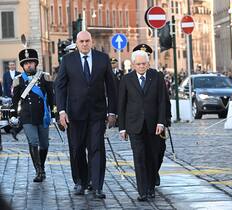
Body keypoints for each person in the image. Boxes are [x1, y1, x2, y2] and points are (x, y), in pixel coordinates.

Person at [55, 31, 117, 199]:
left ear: (92, 42)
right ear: (77, 43)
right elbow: (59, 87)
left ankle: (97, 186)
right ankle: (80, 182)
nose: (84, 44)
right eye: (81, 41)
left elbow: (111, 86)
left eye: (87, 41)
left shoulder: (102, 59)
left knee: (97, 149)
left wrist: (112, 111)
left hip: (97, 113)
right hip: (74, 114)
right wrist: (61, 111)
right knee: (77, 150)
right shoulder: (68, 61)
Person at [118, 49, 167, 201]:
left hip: (153, 125)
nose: (141, 66)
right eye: (138, 64)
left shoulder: (156, 76)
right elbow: (122, 104)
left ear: (148, 63)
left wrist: (161, 122)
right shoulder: (127, 79)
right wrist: (122, 128)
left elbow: (162, 101)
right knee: (139, 158)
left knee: (152, 157)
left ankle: (151, 187)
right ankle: (142, 191)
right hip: (134, 126)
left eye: (144, 64)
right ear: (133, 64)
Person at [11, 48, 54, 182]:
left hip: (43, 115)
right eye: (26, 63)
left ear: (35, 63)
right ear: (23, 66)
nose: (29, 65)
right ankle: (39, 171)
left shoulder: (44, 77)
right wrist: (13, 114)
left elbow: (52, 97)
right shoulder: (18, 80)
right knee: (33, 141)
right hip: (27, 116)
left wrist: (53, 113)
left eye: (31, 62)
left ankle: (41, 166)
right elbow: (15, 99)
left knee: (45, 144)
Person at [3, 61, 22, 140]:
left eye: (13, 65)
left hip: (17, 96)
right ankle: (10, 125)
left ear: (15, 65)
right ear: (8, 66)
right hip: (8, 96)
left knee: (17, 110)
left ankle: (16, 124)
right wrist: (5, 95)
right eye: (10, 65)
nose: (12, 66)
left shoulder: (18, 73)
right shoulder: (5, 74)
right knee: (10, 110)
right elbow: (4, 84)